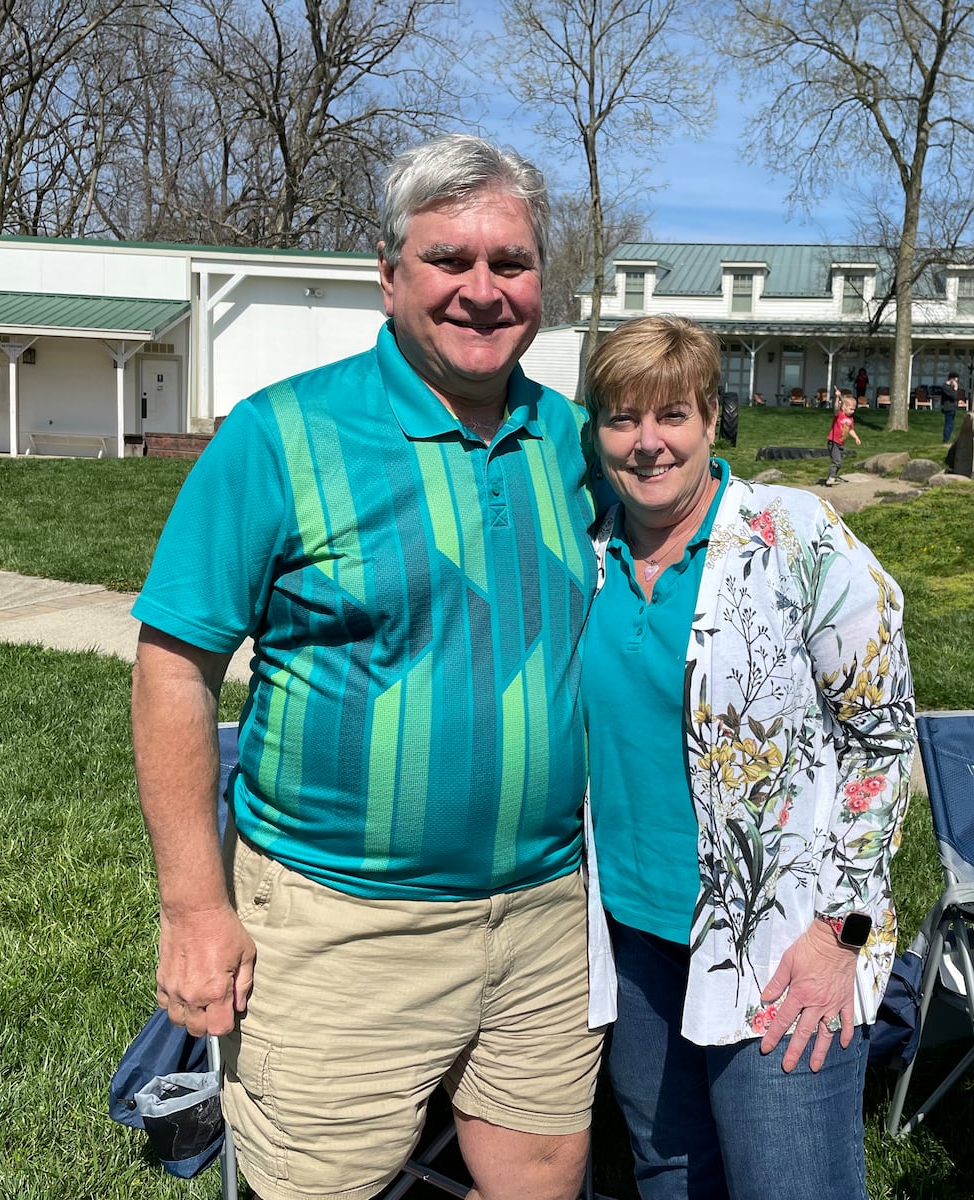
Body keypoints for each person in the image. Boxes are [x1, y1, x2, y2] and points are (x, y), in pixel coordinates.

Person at [129, 134, 602, 1200]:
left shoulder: (579, 446)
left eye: (511, 264)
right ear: (390, 277)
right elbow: (173, 666)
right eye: (449, 261)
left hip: (549, 915)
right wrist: (194, 909)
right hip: (343, 925)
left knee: (537, 1179)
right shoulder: (278, 437)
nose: (482, 292)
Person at [579, 314, 917, 1200]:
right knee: (670, 1172)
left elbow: (881, 740)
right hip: (632, 942)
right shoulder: (588, 556)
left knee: (789, 1184)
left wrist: (843, 935)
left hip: (783, 944)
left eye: (672, 416)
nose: (647, 444)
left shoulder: (796, 536)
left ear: (712, 418)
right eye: (621, 419)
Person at [824, 388, 861, 485]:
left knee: (839, 463)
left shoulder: (851, 419)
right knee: (837, 461)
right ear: (843, 407)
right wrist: (837, 397)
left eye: (854, 409)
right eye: (851, 409)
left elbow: (851, 430)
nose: (853, 411)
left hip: (841, 443)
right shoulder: (839, 415)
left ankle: (833, 477)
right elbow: (836, 408)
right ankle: (831, 478)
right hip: (833, 442)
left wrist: (856, 438)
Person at [937, 370, 962, 441]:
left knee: (951, 426)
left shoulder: (951, 387)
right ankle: (945, 440)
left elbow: (956, 397)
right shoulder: (945, 387)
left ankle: (947, 439)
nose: (956, 382)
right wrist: (956, 388)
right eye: (955, 380)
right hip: (948, 408)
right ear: (951, 379)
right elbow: (953, 396)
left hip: (953, 408)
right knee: (948, 425)